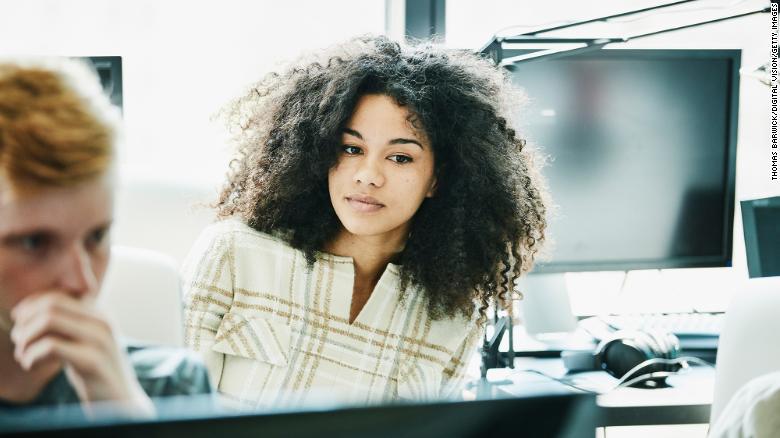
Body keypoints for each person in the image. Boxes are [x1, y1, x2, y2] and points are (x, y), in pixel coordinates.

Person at [182, 35, 548, 409]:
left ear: (437, 179)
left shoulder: (452, 316)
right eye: (352, 149)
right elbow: (167, 415)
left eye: (400, 157)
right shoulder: (234, 254)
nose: (368, 175)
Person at [0, 58, 212, 416]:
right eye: (34, 242)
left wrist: (124, 414)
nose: (81, 282)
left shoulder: (174, 390)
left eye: (96, 237)